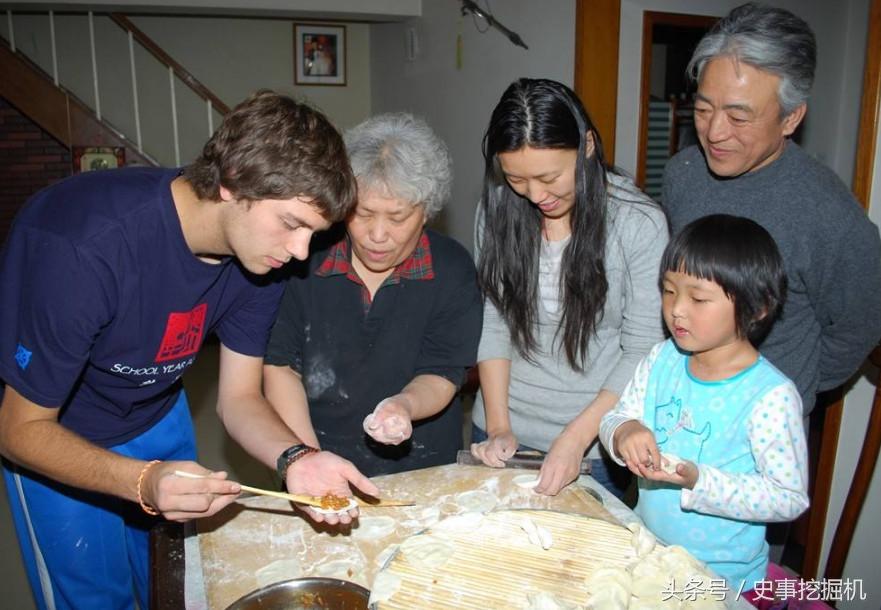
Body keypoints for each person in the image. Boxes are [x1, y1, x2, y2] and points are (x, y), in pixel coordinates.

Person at [0, 90, 381, 610]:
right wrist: (140, 479)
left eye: (313, 234)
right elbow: (19, 430)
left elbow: (240, 397)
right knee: (94, 599)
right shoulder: (81, 249)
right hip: (58, 432)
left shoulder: (261, 261)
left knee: (174, 584)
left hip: (158, 412)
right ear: (230, 183)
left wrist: (296, 458)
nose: (299, 253)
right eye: (292, 224)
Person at [662, 2, 881, 415]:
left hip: (760, 431)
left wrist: (795, 384)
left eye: (738, 117)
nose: (714, 132)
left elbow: (861, 325)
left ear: (790, 118)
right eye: (705, 109)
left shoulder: (830, 216)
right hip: (681, 406)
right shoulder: (681, 174)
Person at [470, 78, 669, 497]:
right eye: (517, 179)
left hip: (595, 442)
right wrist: (499, 426)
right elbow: (495, 322)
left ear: (588, 146)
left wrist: (577, 439)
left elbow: (642, 349)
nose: (535, 195)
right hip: (501, 428)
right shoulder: (497, 211)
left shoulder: (639, 224)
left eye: (549, 177)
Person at [599, 214, 809, 601]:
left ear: (758, 306)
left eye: (698, 298)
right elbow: (615, 417)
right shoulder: (662, 359)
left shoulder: (769, 396)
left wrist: (700, 481)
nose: (677, 309)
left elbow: (788, 497)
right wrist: (624, 432)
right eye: (668, 291)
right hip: (650, 554)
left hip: (722, 578)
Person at [263, 113, 482, 477]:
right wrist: (307, 460)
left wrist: (403, 406)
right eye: (362, 213)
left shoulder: (451, 270)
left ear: (426, 211)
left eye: (397, 218)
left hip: (423, 467)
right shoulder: (302, 260)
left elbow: (442, 371)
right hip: (314, 446)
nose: (377, 235)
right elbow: (280, 366)